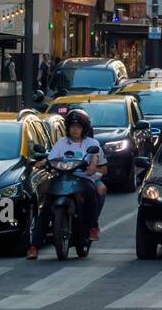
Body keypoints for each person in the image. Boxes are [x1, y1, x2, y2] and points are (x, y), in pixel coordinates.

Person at [27, 109, 106, 259]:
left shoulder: (92, 143)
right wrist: (43, 162)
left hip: (83, 179)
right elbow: (51, 158)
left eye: (78, 126)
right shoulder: (61, 143)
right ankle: (34, 246)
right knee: (45, 206)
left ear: (84, 128)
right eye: (72, 126)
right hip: (62, 178)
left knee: (91, 191)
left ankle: (93, 227)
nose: (75, 129)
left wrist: (93, 166)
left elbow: (101, 165)